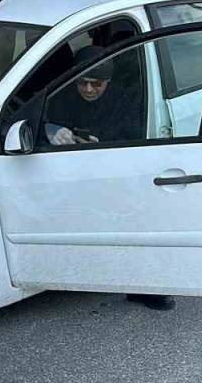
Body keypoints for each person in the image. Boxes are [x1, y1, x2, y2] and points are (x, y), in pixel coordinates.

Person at [42, 46, 174, 312]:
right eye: (83, 83)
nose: (89, 89)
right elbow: (42, 121)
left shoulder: (123, 101)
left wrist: (102, 143)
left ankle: (145, 287)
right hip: (71, 177)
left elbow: (136, 137)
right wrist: (54, 131)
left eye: (96, 84)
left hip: (116, 173)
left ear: (108, 83)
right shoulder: (61, 98)